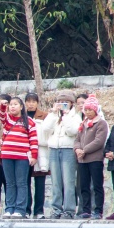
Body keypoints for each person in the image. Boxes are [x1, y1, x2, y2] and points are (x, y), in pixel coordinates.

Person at [39, 90, 81, 220]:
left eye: (65, 102)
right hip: (54, 149)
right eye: (60, 102)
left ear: (71, 103)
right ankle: (56, 208)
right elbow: (45, 129)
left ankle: (69, 210)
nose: (62, 104)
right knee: (56, 182)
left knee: (68, 181)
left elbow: (72, 131)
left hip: (68, 149)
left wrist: (66, 116)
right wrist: (53, 114)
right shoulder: (53, 115)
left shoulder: (75, 116)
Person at [74, 95, 108, 219]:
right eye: (86, 110)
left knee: (97, 186)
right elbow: (77, 139)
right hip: (82, 160)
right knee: (84, 185)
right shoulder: (83, 124)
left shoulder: (100, 123)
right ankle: (86, 209)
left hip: (95, 159)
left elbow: (99, 141)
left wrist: (84, 150)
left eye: (90, 109)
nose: (87, 112)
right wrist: (77, 149)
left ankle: (98, 210)